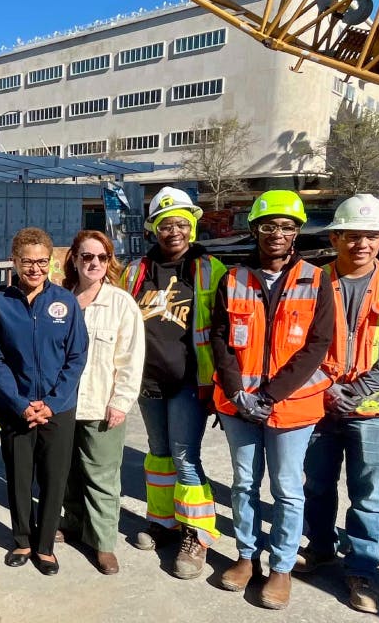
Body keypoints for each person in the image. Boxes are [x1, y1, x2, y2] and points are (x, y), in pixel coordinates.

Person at [295, 194, 379, 614]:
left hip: (374, 411)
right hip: (321, 405)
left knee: (369, 493)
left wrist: (359, 389)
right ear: (335, 237)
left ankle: (363, 569)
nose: (362, 244)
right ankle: (321, 547)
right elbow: (297, 344)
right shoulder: (311, 281)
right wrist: (325, 388)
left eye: (371, 236)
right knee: (316, 483)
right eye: (353, 235)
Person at [211, 190, 334, 610]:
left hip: (291, 406)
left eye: (286, 226)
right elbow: (220, 339)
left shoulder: (316, 280)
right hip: (239, 406)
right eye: (268, 226)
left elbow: (317, 345)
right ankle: (246, 557)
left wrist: (268, 394)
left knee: (286, 489)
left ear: (297, 232)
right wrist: (236, 392)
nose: (276, 234)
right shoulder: (233, 279)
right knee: (243, 484)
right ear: (255, 230)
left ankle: (281, 567)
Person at [118, 187, 226, 579]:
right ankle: (164, 521)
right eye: (166, 225)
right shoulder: (135, 271)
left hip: (188, 382)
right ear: (153, 230)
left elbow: (224, 329)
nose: (174, 231)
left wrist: (218, 382)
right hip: (149, 382)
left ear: (193, 226)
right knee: (159, 454)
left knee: (185, 458)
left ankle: (196, 533)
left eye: (182, 223)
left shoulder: (211, 270)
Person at [0, 227, 88, 576]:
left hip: (58, 409)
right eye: (27, 262)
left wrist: (53, 403)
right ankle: (23, 540)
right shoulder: (1, 305)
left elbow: (76, 356)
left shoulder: (65, 302)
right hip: (17, 409)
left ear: (51, 262)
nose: (35, 269)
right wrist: (20, 401)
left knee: (54, 478)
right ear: (14, 262)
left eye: (42, 262)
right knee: (19, 476)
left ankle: (45, 548)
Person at [60, 230, 143, 575]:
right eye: (86, 256)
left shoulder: (121, 303)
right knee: (67, 472)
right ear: (75, 260)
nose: (93, 263)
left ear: (109, 262)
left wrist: (121, 402)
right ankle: (74, 522)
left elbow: (131, 358)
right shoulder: (60, 299)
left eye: (101, 257)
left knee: (102, 476)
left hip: (100, 404)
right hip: (63, 404)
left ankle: (103, 542)